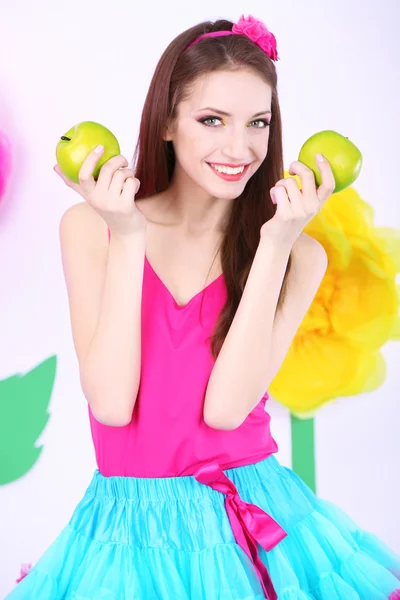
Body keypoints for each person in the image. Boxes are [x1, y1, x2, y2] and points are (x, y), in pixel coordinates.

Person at [8, 14, 400, 600]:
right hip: (124, 531)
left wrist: (276, 243)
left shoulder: (299, 253)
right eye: (212, 120)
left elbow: (225, 411)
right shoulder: (91, 227)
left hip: (256, 523)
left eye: (257, 123)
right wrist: (130, 236)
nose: (239, 148)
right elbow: (113, 405)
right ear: (167, 121)